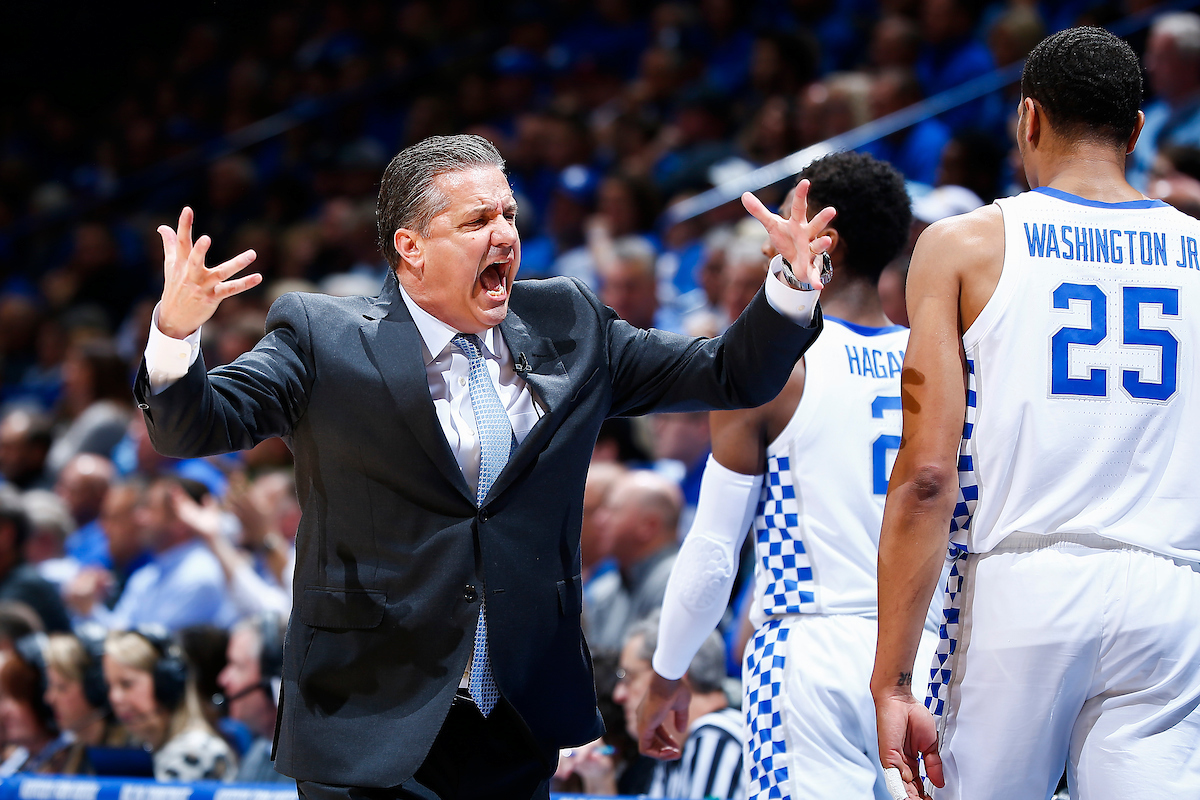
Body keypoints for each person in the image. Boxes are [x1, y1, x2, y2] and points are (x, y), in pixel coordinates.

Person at [134, 133, 833, 799]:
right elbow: (195, 424)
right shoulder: (325, 337)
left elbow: (729, 375)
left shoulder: (570, 321)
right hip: (367, 722)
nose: (504, 234)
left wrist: (788, 287)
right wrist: (176, 331)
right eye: (475, 221)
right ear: (410, 247)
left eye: (508, 213)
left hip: (518, 719)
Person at [871, 27, 1200, 800]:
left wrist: (892, 678)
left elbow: (926, 474)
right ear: (1138, 132)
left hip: (1023, 588)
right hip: (1172, 592)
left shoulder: (963, 246)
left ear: (1029, 120)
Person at [638, 152, 939, 800]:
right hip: (926, 652)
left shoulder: (771, 369)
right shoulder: (941, 369)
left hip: (812, 648)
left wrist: (667, 672)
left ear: (821, 236)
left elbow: (716, 551)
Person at [615, 614, 744, 800]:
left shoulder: (716, 737)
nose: (619, 695)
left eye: (629, 678)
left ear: (672, 678)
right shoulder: (675, 745)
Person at [103, 628, 236, 782]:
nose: (114, 697)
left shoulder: (193, 751)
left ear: (165, 684)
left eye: (127, 684)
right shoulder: (143, 745)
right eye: (109, 686)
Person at [586, 470, 683, 652]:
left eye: (613, 510)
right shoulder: (605, 590)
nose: (600, 520)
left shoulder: (678, 584)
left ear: (648, 526)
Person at [42, 628, 131, 775]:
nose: (49, 698)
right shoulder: (66, 751)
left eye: (61, 688)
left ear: (95, 689)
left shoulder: (128, 756)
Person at [216, 613, 292, 783]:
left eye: (236, 665)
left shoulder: (312, 770)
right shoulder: (256, 756)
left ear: (275, 678)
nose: (223, 679)